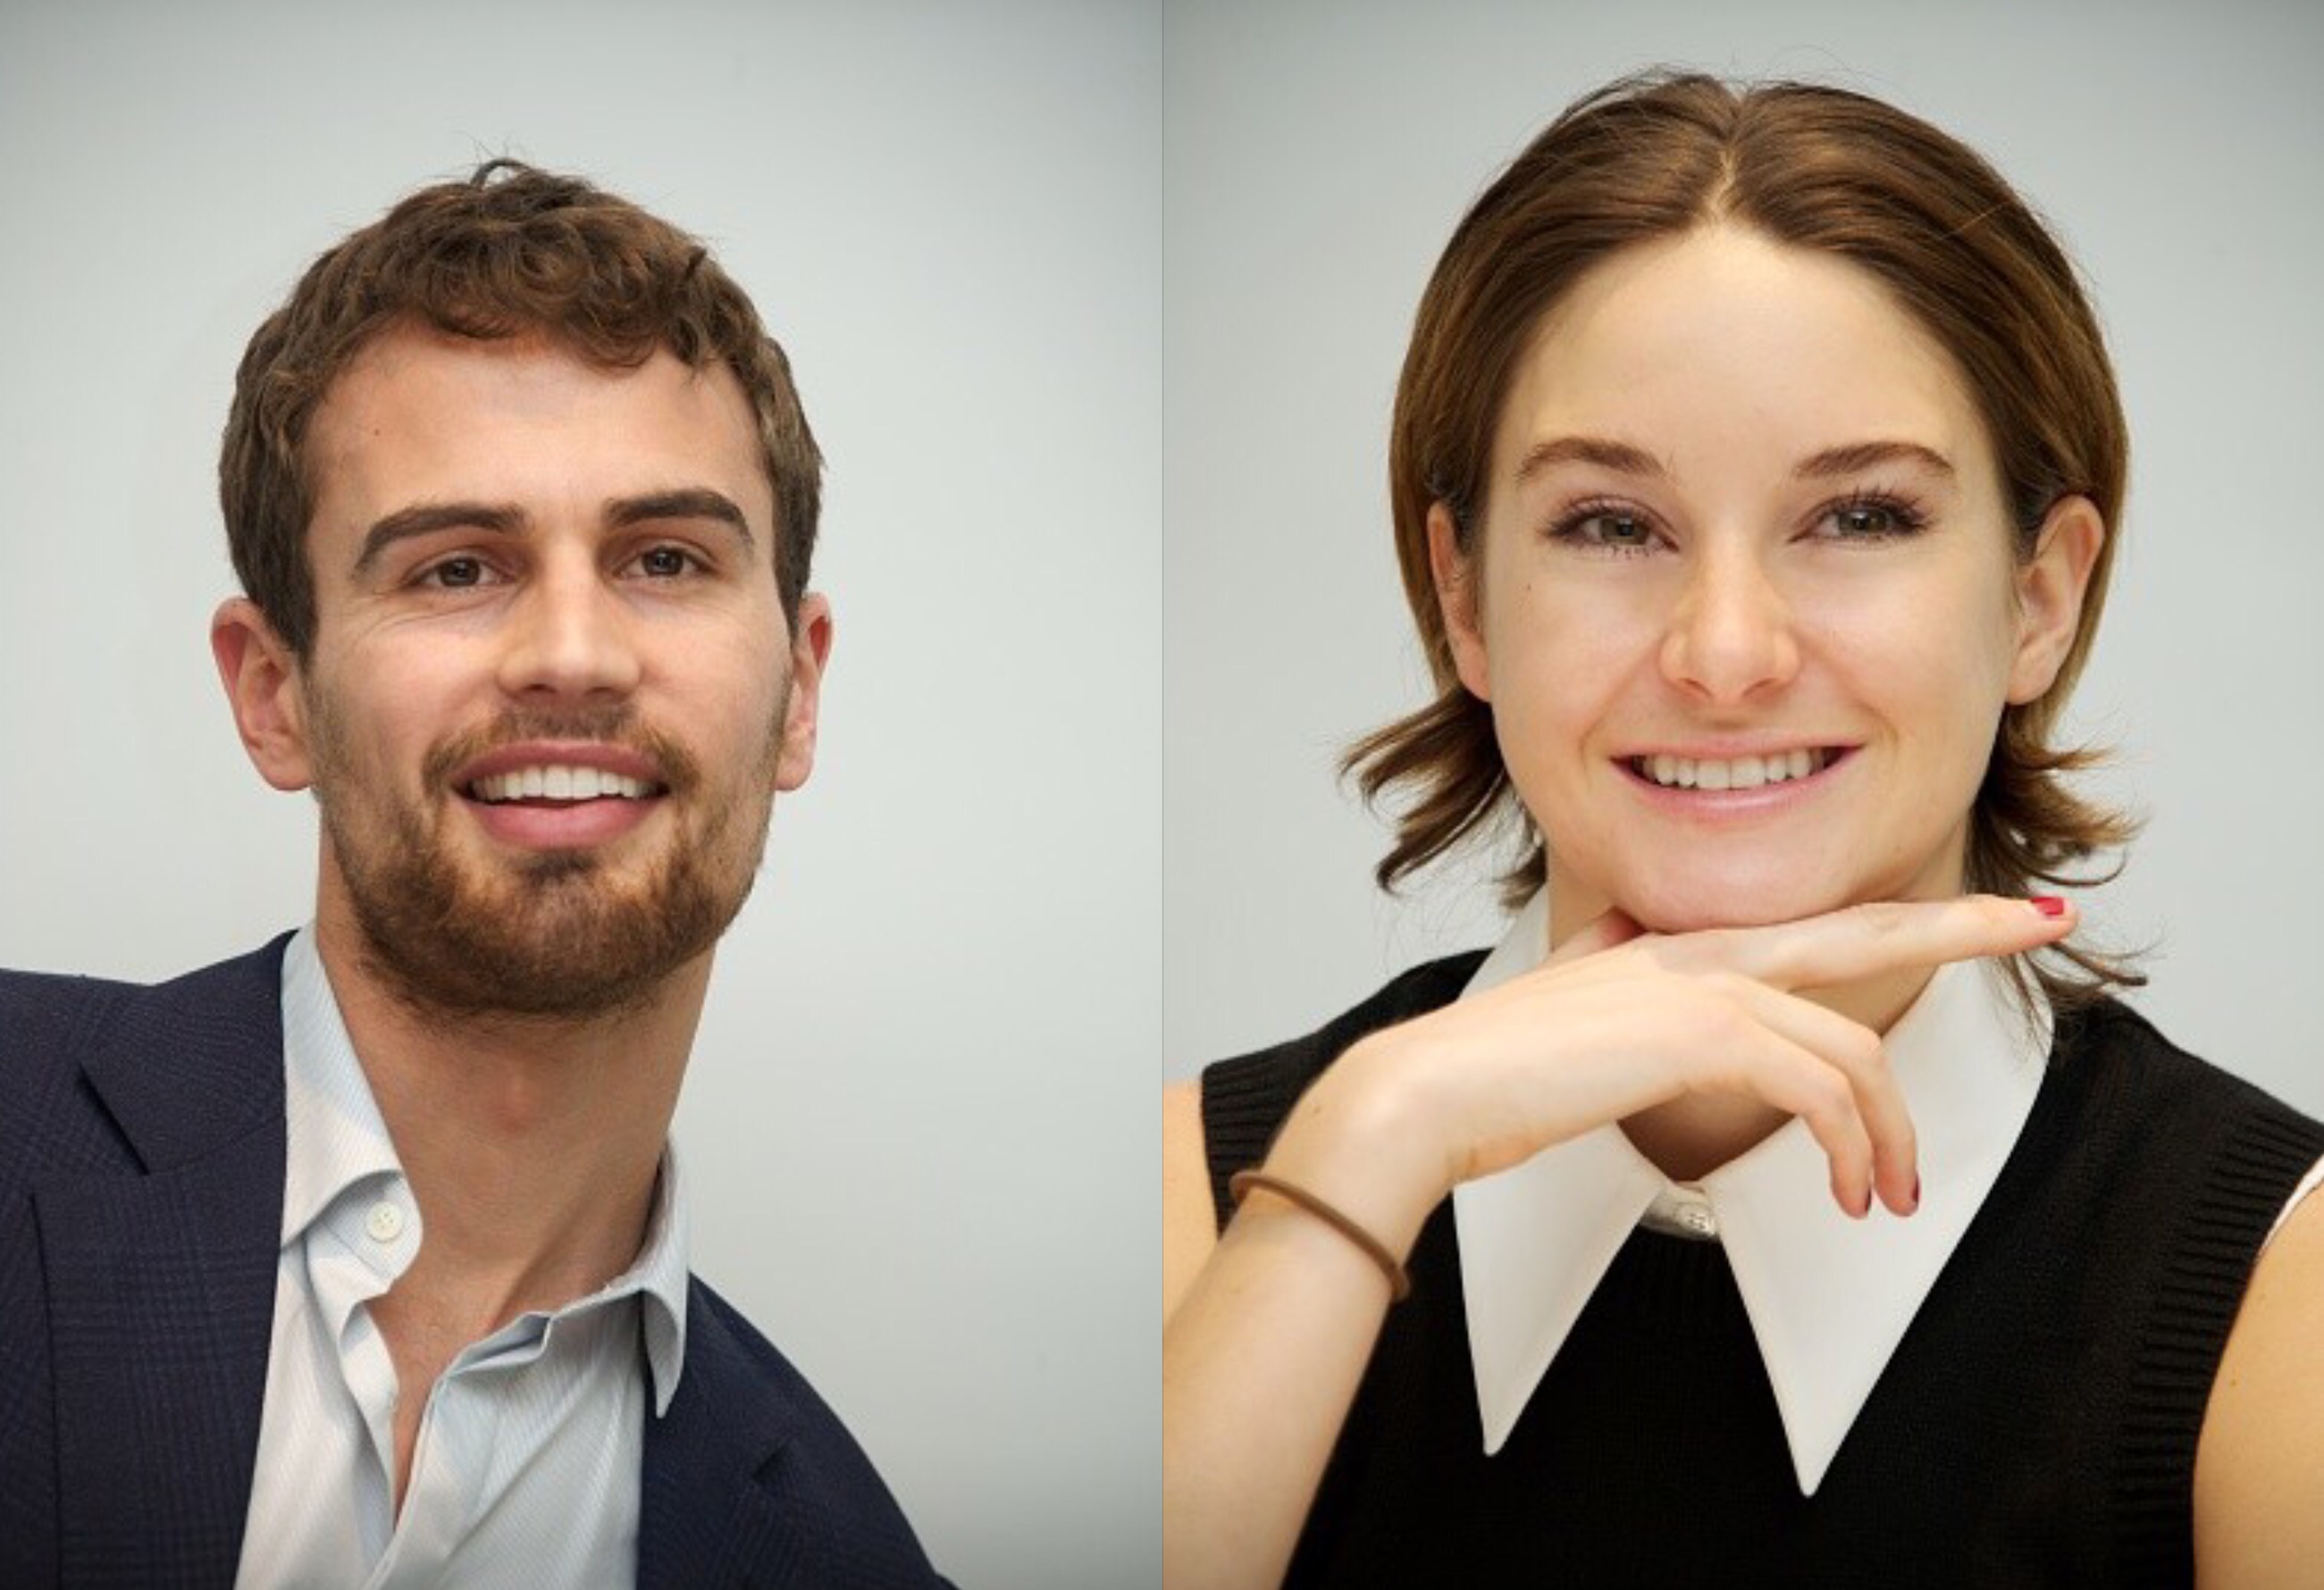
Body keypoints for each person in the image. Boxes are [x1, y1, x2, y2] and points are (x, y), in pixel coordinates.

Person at [1162, 71, 2324, 1589]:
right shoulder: (1198, 1194)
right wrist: (1356, 1173)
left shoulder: (2277, 1294)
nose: (1724, 654)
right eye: (1609, 524)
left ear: (2040, 596)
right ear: (1462, 598)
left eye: (1858, 518)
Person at [0, 162, 948, 1587]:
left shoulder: (845, 1560)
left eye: (666, 558)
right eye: (456, 570)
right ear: (274, 696)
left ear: (798, 694)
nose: (572, 653)